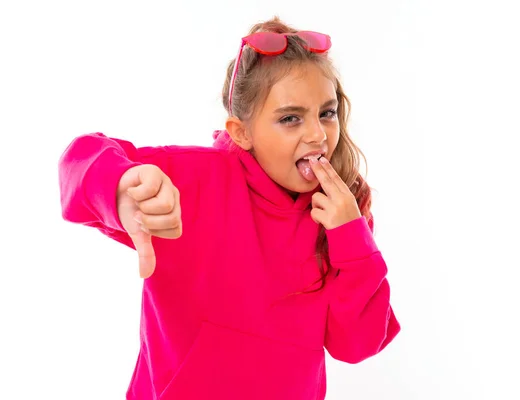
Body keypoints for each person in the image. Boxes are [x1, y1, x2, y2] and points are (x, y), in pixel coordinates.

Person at [58, 16, 400, 400]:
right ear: (242, 132)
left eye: (327, 112)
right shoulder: (195, 181)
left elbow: (357, 344)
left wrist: (353, 237)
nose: (319, 135)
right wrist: (119, 188)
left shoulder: (341, 213)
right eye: (291, 118)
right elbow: (80, 157)